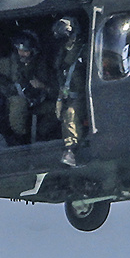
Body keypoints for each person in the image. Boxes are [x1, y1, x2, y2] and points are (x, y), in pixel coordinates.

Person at [0, 29, 45, 144]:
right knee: (18, 104)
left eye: (25, 51)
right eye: (19, 50)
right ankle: (21, 141)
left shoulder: (41, 63)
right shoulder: (9, 64)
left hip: (42, 101)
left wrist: (42, 86)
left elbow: (55, 86)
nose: (21, 53)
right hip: (18, 102)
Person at [50, 16, 86, 166]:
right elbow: (62, 79)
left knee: (70, 114)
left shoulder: (84, 51)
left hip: (85, 95)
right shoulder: (62, 54)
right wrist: (59, 99)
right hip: (68, 95)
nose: (67, 41)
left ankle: (71, 151)